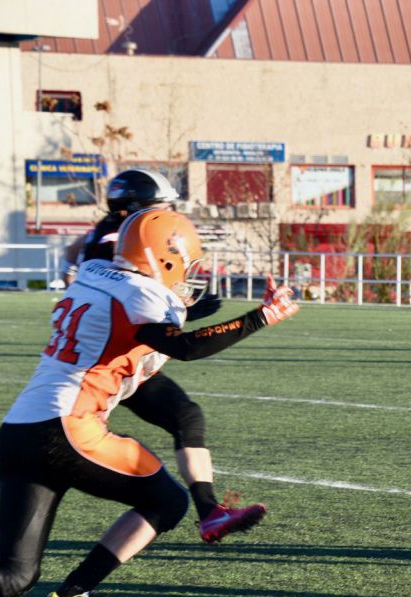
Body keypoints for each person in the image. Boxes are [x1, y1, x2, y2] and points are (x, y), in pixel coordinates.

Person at [0, 208, 301, 597]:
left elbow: (127, 321)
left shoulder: (94, 272)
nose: (189, 274)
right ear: (165, 258)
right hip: (69, 428)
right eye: (185, 264)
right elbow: (185, 347)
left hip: (18, 431)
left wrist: (185, 312)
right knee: (167, 501)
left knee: (13, 576)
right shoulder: (142, 294)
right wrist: (261, 316)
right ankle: (74, 594)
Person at [56, 168, 267, 544]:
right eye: (161, 206)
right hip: (104, 364)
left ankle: (210, 512)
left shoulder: (112, 232)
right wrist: (188, 312)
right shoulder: (117, 239)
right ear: (138, 205)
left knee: (186, 417)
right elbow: (134, 305)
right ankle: (205, 512)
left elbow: (92, 271)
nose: (168, 214)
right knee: (39, 451)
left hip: (123, 358)